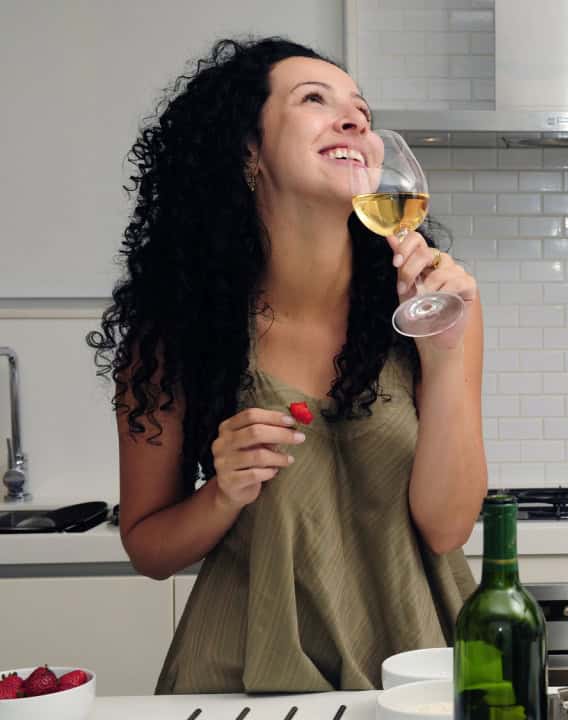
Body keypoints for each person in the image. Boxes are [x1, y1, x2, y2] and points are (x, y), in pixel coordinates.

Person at [87, 37, 487, 693]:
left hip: (415, 673)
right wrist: (224, 492)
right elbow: (149, 547)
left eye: (360, 109)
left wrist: (443, 360)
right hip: (248, 675)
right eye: (314, 100)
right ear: (249, 150)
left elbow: (447, 527)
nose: (355, 119)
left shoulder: (438, 306)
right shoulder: (176, 336)